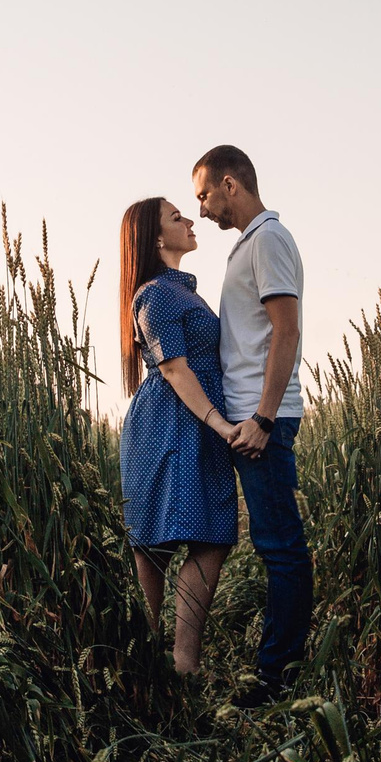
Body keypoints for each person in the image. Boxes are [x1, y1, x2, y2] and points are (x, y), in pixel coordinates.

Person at [191, 144, 310, 707]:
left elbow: (285, 332)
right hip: (246, 417)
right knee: (272, 545)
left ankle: (277, 678)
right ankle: (278, 667)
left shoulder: (268, 240)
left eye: (205, 194)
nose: (203, 208)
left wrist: (262, 418)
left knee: (281, 547)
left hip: (263, 418)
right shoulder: (249, 246)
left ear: (231, 184)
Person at [116, 195, 242, 678]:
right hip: (169, 425)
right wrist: (219, 422)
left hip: (200, 423)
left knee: (211, 537)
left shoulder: (184, 291)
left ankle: (184, 662)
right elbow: (172, 367)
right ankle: (145, 669)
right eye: (176, 217)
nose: (190, 220)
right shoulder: (154, 294)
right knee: (153, 547)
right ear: (155, 237)